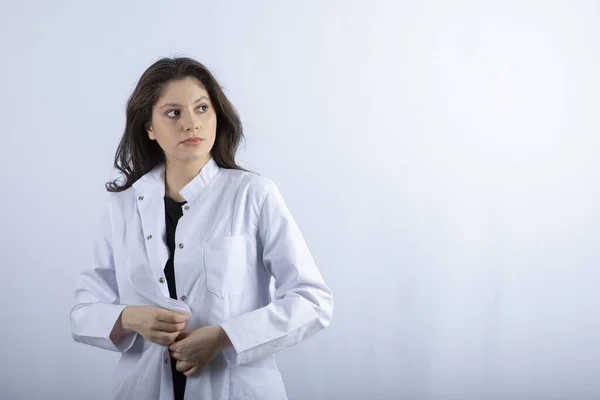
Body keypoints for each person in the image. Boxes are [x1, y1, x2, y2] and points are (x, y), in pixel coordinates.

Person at [69, 56, 334, 400]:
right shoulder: (123, 207)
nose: (191, 124)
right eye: (173, 113)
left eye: (202, 108)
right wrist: (131, 318)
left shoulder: (253, 194)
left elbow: (312, 300)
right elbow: (83, 312)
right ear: (149, 127)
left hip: (234, 388)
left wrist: (225, 337)